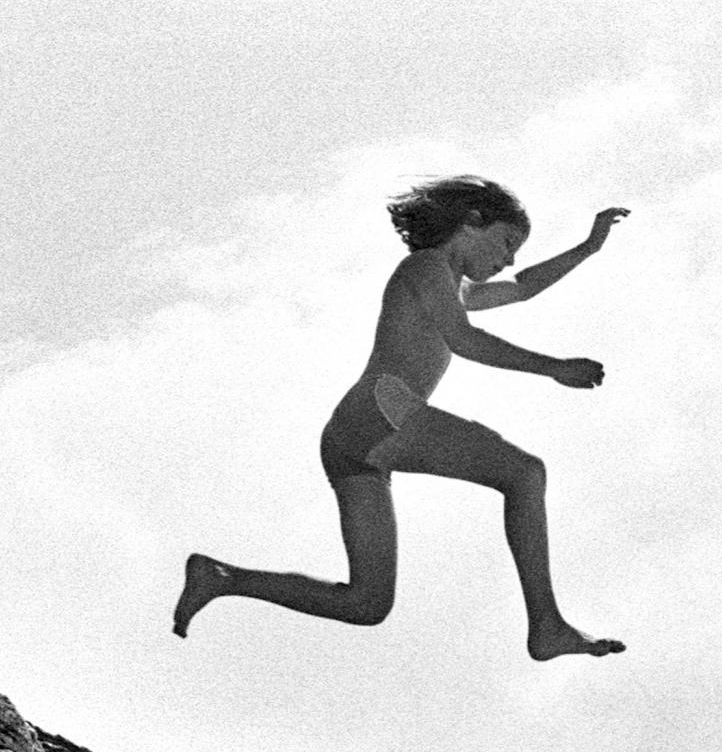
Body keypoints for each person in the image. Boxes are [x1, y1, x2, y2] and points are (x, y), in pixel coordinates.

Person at [173, 174, 630, 662]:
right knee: (524, 473)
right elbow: (464, 340)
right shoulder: (426, 267)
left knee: (367, 604)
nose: (510, 259)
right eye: (507, 243)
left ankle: (222, 577)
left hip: (351, 439)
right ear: (471, 222)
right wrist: (554, 367)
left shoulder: (452, 284)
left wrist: (588, 248)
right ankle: (547, 627)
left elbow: (522, 287)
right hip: (380, 411)